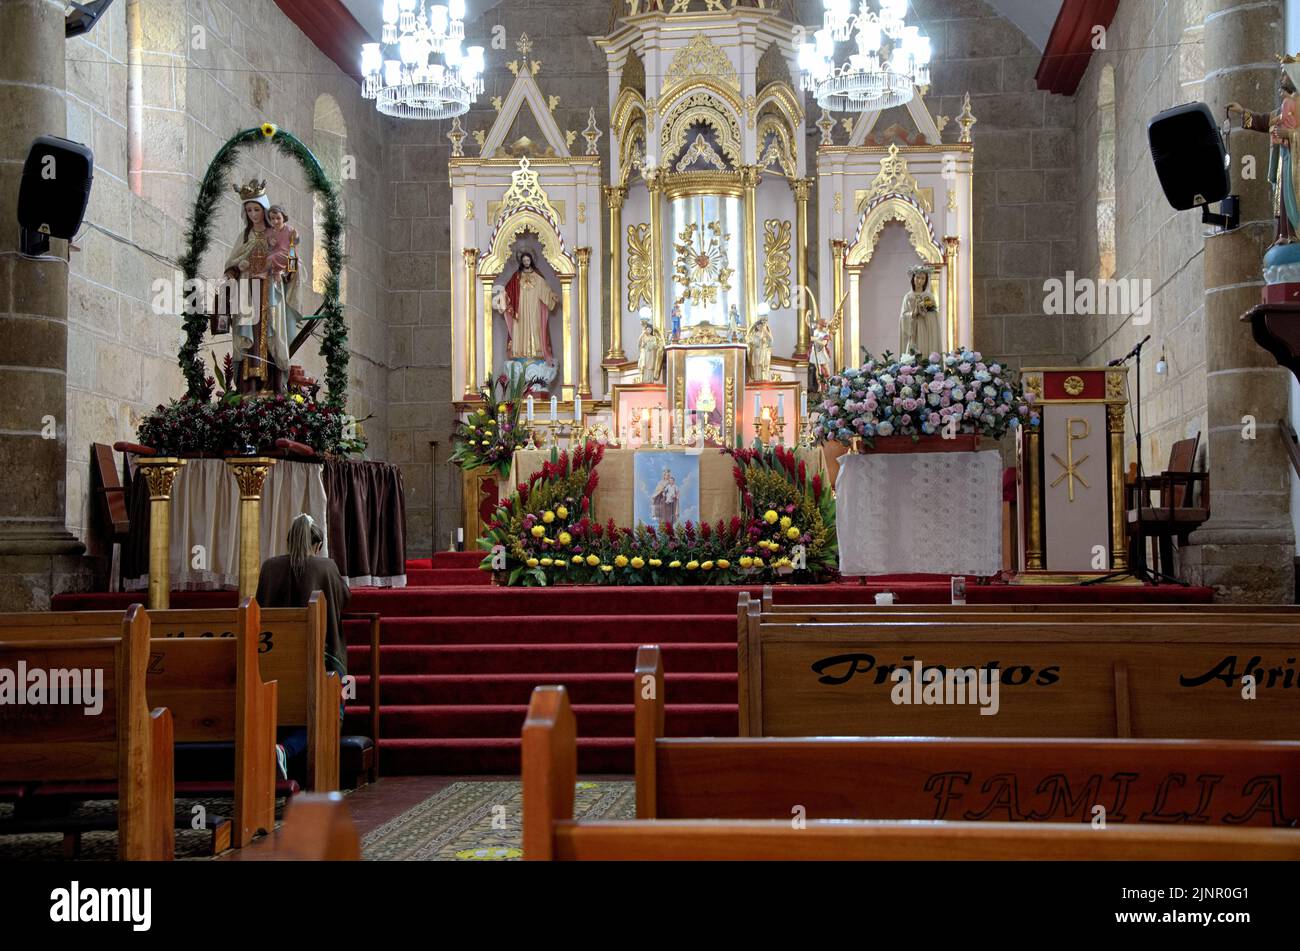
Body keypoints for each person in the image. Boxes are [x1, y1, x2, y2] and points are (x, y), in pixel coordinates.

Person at [224, 179, 299, 394]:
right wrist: (234, 270)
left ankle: (273, 388)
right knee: (249, 337)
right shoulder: (245, 237)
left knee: (271, 336)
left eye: (256, 209)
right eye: (249, 210)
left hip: (270, 293)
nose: (253, 214)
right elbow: (232, 264)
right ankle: (248, 389)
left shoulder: (277, 234)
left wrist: (284, 271)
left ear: (265, 210)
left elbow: (292, 262)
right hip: (248, 293)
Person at [900, 266, 940, 359]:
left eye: (923, 278)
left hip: (925, 329)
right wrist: (913, 313)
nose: (919, 281)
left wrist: (924, 311)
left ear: (925, 281)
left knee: (925, 351)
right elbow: (903, 316)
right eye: (917, 277)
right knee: (912, 353)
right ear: (913, 278)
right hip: (913, 330)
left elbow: (933, 316)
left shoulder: (928, 297)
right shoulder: (908, 297)